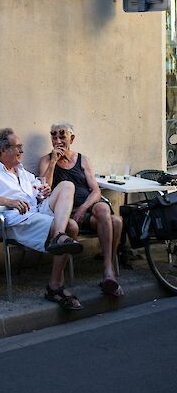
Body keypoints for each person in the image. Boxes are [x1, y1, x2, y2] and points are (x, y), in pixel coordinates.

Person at [0, 127, 84, 311]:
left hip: (35, 211)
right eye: (18, 147)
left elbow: (41, 184)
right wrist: (9, 201)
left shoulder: (20, 171)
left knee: (67, 185)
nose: (22, 151)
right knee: (72, 227)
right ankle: (55, 286)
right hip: (15, 221)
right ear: (3, 150)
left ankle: (58, 235)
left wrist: (43, 189)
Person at [39, 122, 124, 297]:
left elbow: (96, 190)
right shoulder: (47, 160)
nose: (57, 140)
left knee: (103, 209)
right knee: (115, 221)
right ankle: (109, 272)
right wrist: (54, 161)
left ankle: (108, 271)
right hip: (66, 213)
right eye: (54, 136)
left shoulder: (82, 159)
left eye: (62, 136)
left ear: (72, 138)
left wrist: (84, 207)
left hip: (87, 210)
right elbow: (44, 187)